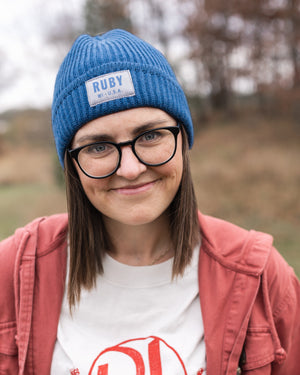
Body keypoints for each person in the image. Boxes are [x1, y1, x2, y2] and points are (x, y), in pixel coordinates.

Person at [0, 29, 299, 375]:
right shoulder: (15, 272)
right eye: (98, 146)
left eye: (151, 135)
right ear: (71, 165)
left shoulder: (260, 277)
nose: (130, 168)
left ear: (183, 138)